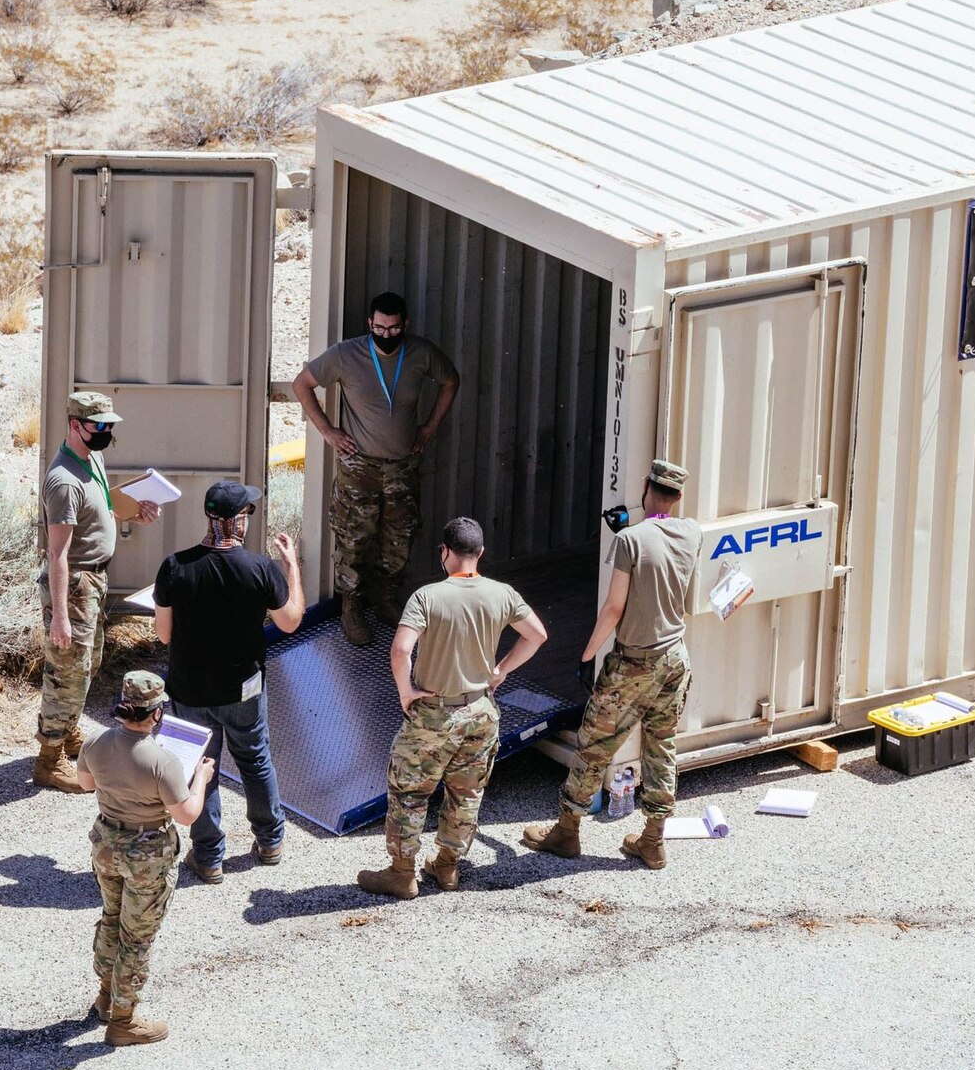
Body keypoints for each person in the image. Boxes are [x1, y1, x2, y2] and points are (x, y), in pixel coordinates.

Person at [358, 517, 547, 899]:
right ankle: (447, 867)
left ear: (444, 552)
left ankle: (401, 873)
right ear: (480, 554)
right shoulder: (503, 593)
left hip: (434, 715)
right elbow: (538, 635)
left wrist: (405, 692)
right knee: (466, 794)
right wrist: (501, 670)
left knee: (409, 792)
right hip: (480, 711)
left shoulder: (427, 597)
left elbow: (399, 650)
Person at [526, 459, 700, 871]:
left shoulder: (629, 542)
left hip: (633, 664)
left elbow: (614, 609)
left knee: (595, 747)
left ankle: (566, 831)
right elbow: (660, 547)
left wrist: (588, 655)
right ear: (677, 496)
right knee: (662, 746)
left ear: (644, 486)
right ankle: (653, 841)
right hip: (675, 659)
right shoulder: (692, 532)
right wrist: (633, 530)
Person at [153, 479, 306, 883]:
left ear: (208, 516)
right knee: (255, 759)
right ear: (238, 521)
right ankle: (270, 841)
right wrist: (292, 567)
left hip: (189, 688)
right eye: (247, 513)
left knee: (201, 767)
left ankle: (208, 857)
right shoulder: (260, 568)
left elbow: (164, 635)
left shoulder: (174, 566)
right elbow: (290, 622)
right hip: (244, 689)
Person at [292, 291, 461, 647]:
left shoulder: (420, 353)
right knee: (355, 538)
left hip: (402, 465)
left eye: (394, 328)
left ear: (405, 325)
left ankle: (386, 597)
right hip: (359, 467)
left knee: (399, 536)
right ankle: (351, 607)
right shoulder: (346, 354)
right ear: (370, 324)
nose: (387, 335)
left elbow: (450, 381)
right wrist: (327, 431)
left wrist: (429, 427)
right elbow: (301, 384)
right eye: (380, 329)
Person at [75, 671, 216, 1047]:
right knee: (136, 938)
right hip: (147, 854)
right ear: (156, 714)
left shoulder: (95, 742)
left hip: (107, 844)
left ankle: (106, 996)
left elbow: (87, 784)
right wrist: (200, 777)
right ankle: (124, 1020)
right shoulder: (164, 761)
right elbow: (186, 815)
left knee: (110, 916)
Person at [36, 391, 162, 794]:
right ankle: (48, 757)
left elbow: (105, 510)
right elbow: (57, 553)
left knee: (88, 662)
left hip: (93, 582)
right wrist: (58, 614)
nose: (107, 433)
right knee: (67, 669)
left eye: (110, 426)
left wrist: (135, 514)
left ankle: (67, 729)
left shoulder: (94, 460)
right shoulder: (62, 481)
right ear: (75, 425)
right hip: (73, 584)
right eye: (99, 427)